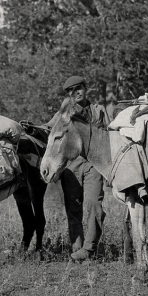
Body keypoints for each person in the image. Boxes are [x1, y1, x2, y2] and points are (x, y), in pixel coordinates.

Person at [43, 76, 110, 261]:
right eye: (71, 91)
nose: (76, 93)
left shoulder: (99, 111)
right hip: (71, 166)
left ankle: (89, 248)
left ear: (85, 88)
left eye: (79, 88)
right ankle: (77, 247)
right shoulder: (62, 115)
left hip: (93, 164)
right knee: (73, 208)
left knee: (94, 203)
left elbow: (109, 135)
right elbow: (49, 130)